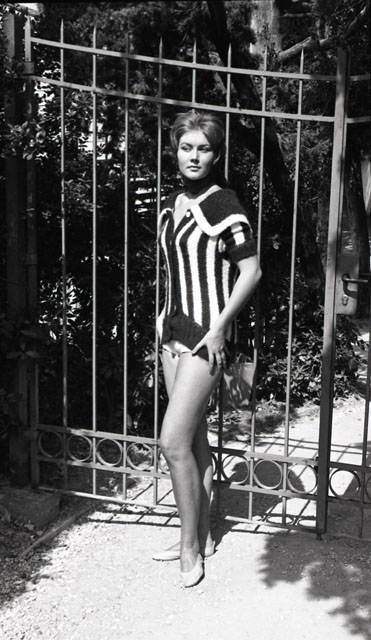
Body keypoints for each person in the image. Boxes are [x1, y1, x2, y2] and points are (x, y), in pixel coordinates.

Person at [153, 111, 262, 588]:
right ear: (175, 151)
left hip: (205, 337)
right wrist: (162, 315)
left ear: (215, 155)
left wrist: (219, 329)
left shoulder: (224, 203)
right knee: (194, 441)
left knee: (172, 441)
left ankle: (188, 549)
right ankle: (203, 535)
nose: (193, 156)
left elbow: (251, 271)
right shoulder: (171, 203)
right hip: (171, 333)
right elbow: (175, 268)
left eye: (203, 148)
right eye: (186, 147)